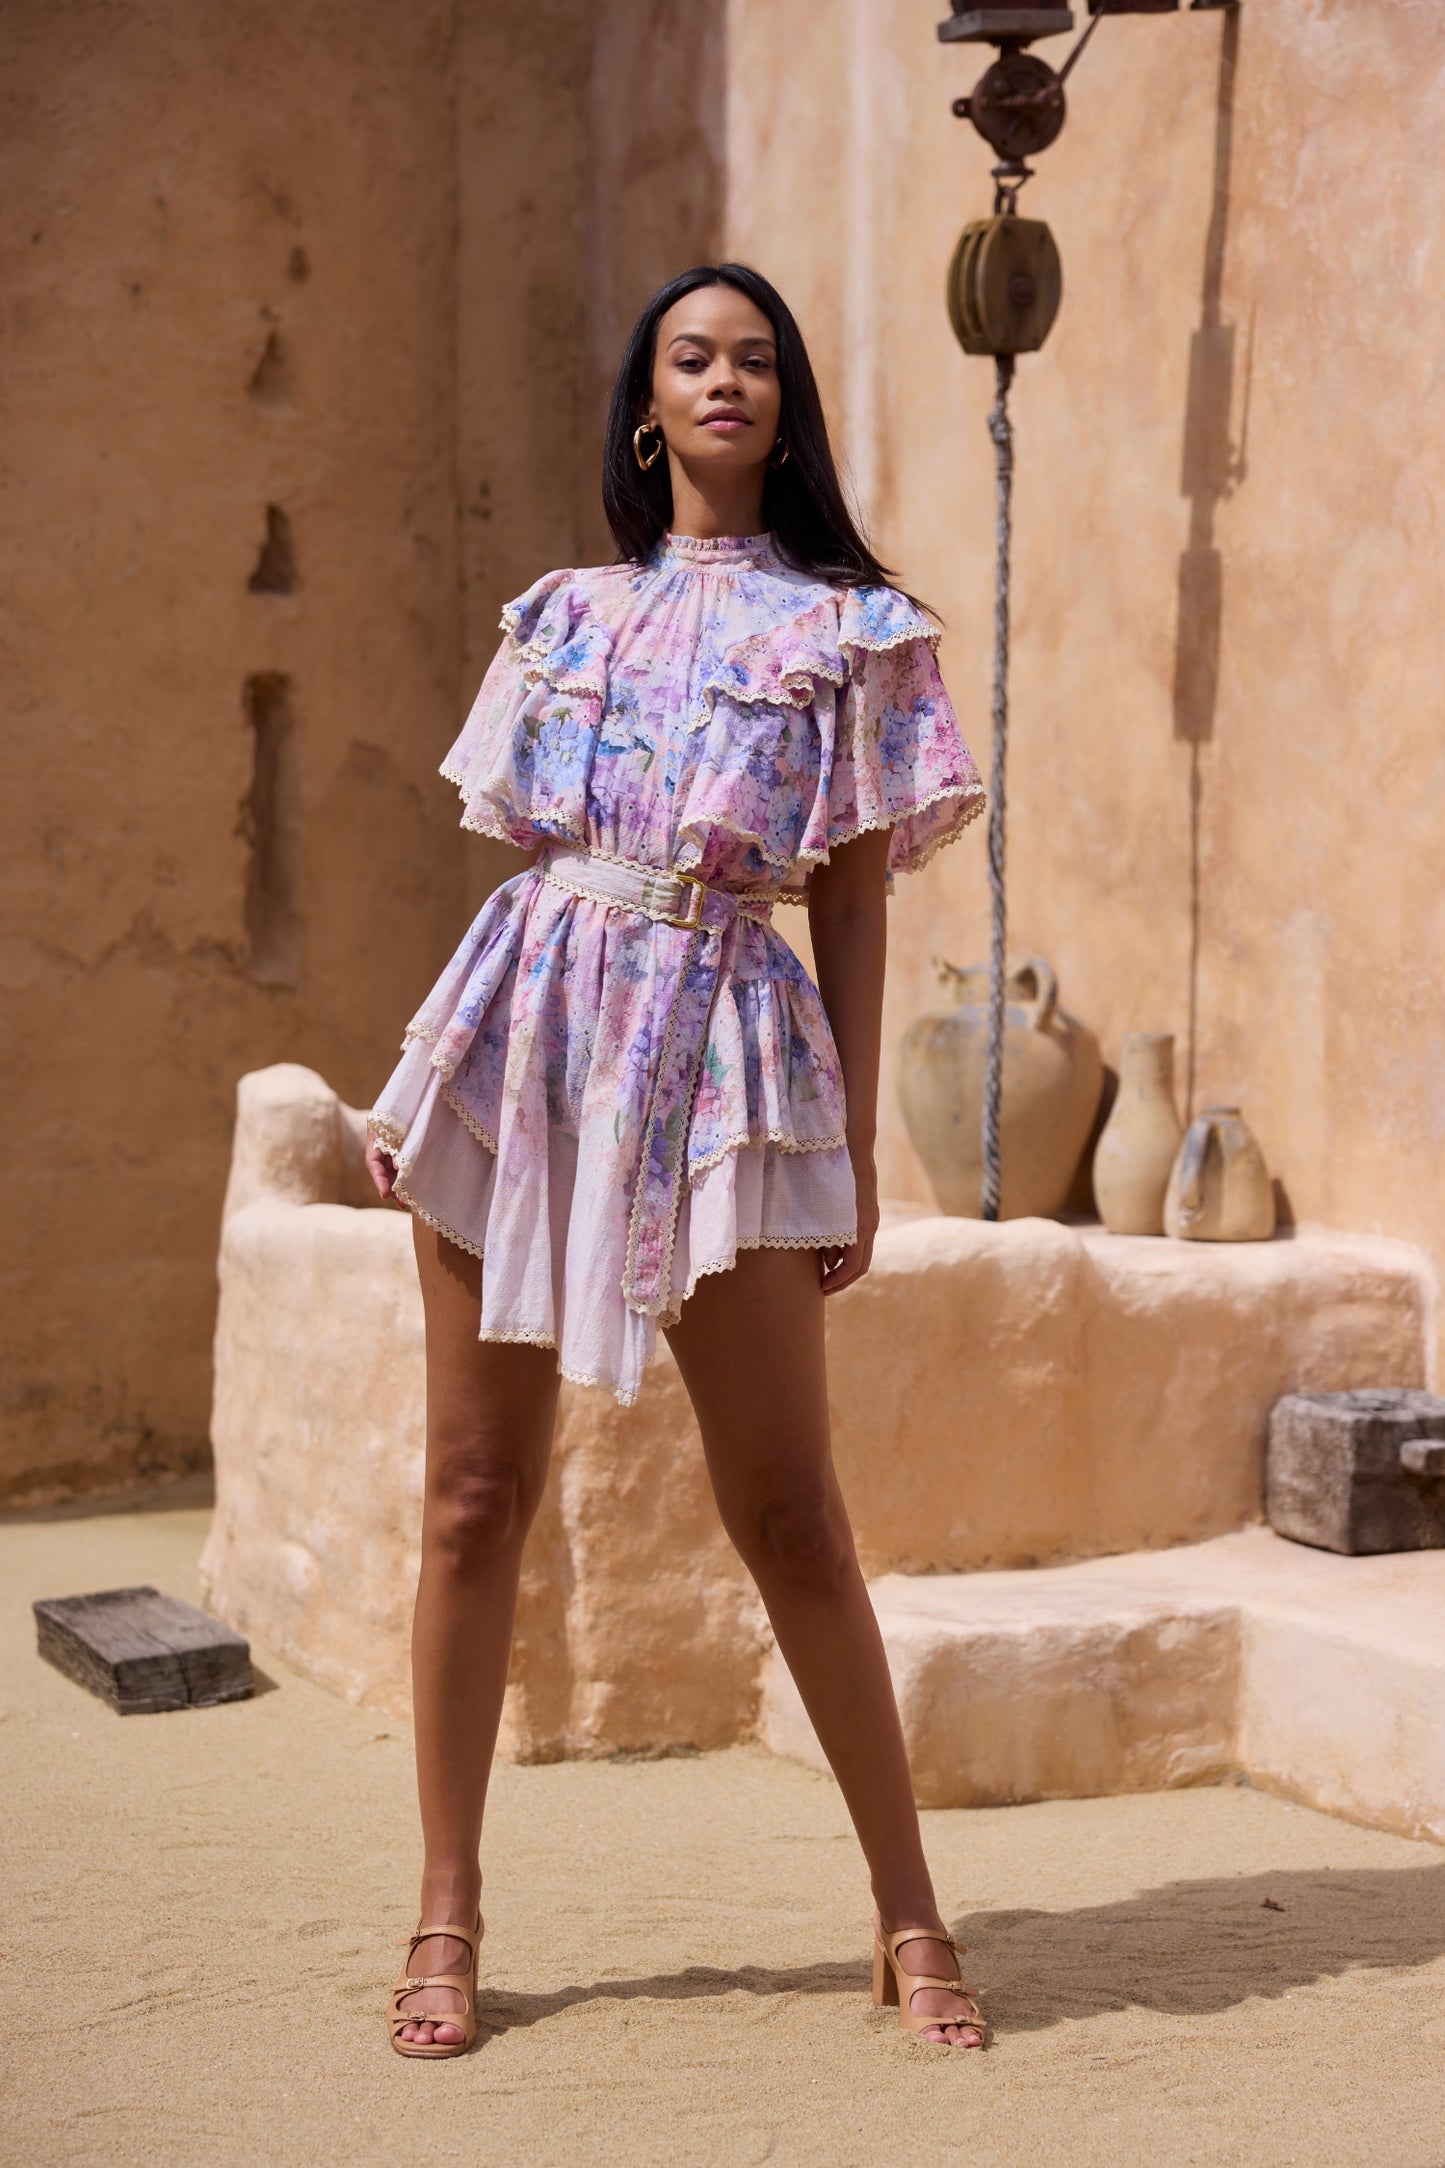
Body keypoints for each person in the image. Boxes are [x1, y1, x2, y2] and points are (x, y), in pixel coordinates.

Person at [368, 263, 987, 2056]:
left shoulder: (856, 631)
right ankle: (445, 1911)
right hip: (530, 1032)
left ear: (786, 407)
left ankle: (908, 1912)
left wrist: (849, 1140)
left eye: (756, 360)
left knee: (791, 1512)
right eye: (692, 359)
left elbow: (852, 899)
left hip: (731, 1044)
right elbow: (525, 835)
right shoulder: (562, 613)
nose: (726, 380)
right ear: (646, 409)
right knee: (471, 1494)